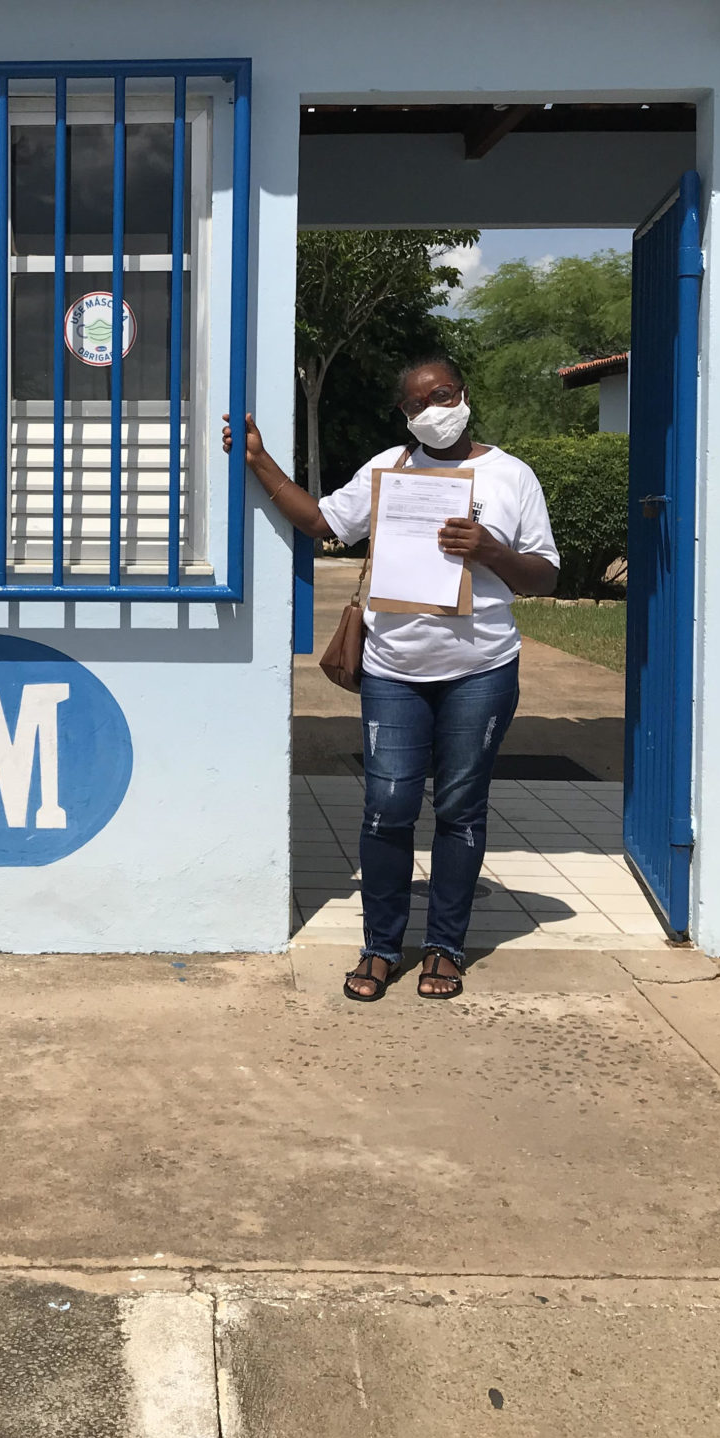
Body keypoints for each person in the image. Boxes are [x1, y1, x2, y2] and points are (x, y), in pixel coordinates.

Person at [223, 357, 559, 1002]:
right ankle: (380, 946)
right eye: (413, 406)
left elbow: (544, 575)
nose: (430, 411)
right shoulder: (388, 469)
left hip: (481, 668)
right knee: (387, 809)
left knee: (460, 812)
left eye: (440, 396)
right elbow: (323, 523)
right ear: (404, 416)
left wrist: (488, 550)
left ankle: (444, 948)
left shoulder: (511, 476)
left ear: (464, 395)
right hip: (394, 670)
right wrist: (259, 460)